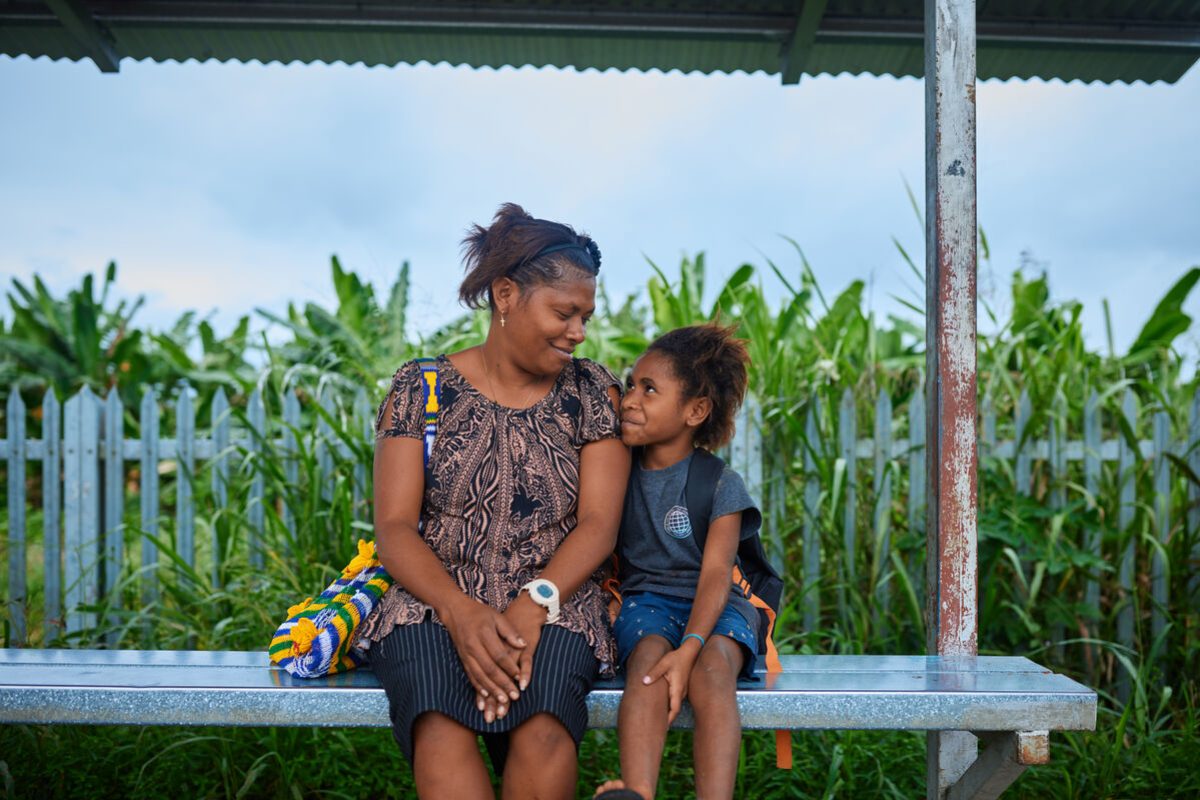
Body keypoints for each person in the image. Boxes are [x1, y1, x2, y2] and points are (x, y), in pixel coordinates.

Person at [357, 203, 630, 799]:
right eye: (564, 312)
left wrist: (535, 604)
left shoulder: (591, 392)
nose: (578, 333)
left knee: (544, 728)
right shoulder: (420, 388)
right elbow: (396, 528)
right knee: (440, 726)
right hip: (430, 601)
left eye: (585, 316)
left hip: (558, 598)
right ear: (505, 295)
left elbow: (599, 523)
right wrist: (460, 611)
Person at [594, 323, 760, 800]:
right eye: (630, 386)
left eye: (649, 390)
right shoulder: (616, 472)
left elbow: (715, 575)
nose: (629, 400)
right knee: (647, 664)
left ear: (695, 410)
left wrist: (689, 647)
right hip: (646, 601)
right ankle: (638, 792)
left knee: (711, 671)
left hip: (718, 604)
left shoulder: (719, 483)